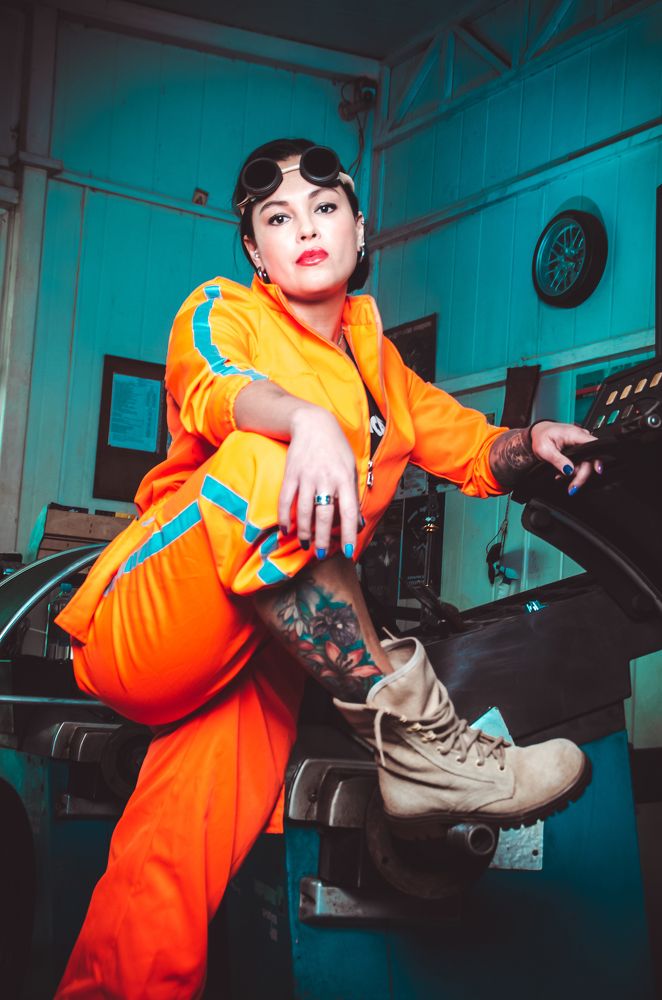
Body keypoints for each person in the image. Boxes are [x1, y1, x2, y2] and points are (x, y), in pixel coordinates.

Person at [54, 138, 599, 998]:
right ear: (254, 250)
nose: (305, 228)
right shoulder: (223, 309)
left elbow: (470, 446)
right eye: (278, 218)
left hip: (260, 655)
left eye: (324, 208)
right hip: (153, 618)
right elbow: (216, 386)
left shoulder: (377, 364)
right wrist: (303, 419)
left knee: (167, 870)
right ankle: (421, 745)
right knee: (264, 458)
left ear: (358, 227)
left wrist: (530, 440)